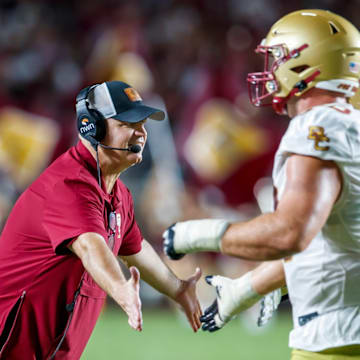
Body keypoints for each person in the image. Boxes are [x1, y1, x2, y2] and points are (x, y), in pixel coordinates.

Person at [163, 9, 360, 359]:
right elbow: (333, 245)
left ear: (304, 65)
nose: (270, 70)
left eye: (279, 57)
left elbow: (290, 234)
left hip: (339, 339)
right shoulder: (350, 125)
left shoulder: (316, 130)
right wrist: (244, 290)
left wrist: (197, 233)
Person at [0, 80, 202, 360]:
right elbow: (90, 246)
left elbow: (135, 249)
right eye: (128, 124)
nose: (141, 133)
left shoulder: (117, 193)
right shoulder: (69, 186)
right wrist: (120, 289)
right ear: (91, 127)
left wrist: (177, 289)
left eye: (142, 124)